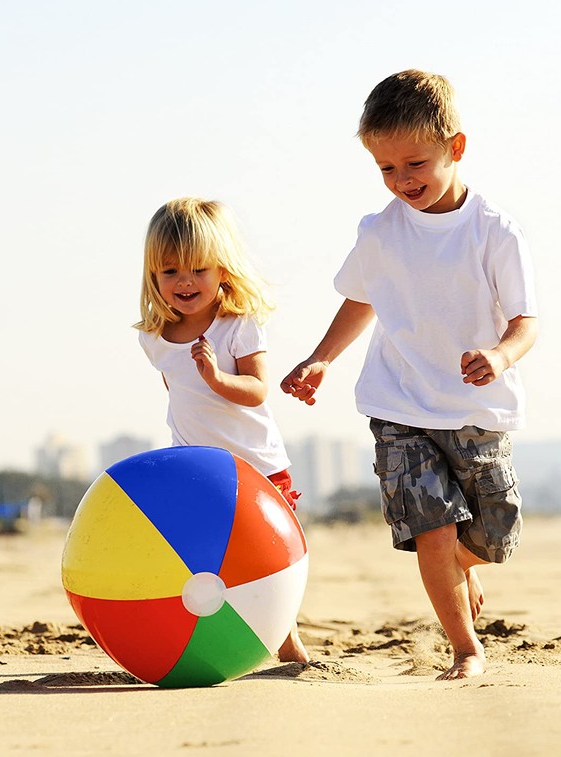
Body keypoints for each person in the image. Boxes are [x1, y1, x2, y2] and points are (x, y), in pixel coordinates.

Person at [281, 70, 538, 680]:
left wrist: (499, 356)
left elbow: (527, 322)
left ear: (456, 146)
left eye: (415, 163)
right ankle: (465, 647)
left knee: (497, 532)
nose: (403, 182)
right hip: (399, 405)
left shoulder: (494, 233)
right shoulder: (381, 232)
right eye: (386, 170)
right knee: (431, 529)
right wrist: (321, 357)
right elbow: (361, 299)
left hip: (477, 408)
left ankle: (461, 564)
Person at [136, 197, 308, 663]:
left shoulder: (236, 324)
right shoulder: (153, 338)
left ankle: (286, 638)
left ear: (222, 271)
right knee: (207, 560)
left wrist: (216, 378)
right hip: (199, 470)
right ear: (153, 277)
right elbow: (179, 399)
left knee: (270, 557)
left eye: (198, 269)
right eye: (170, 272)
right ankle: (209, 637)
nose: (184, 282)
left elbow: (256, 389)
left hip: (258, 465)